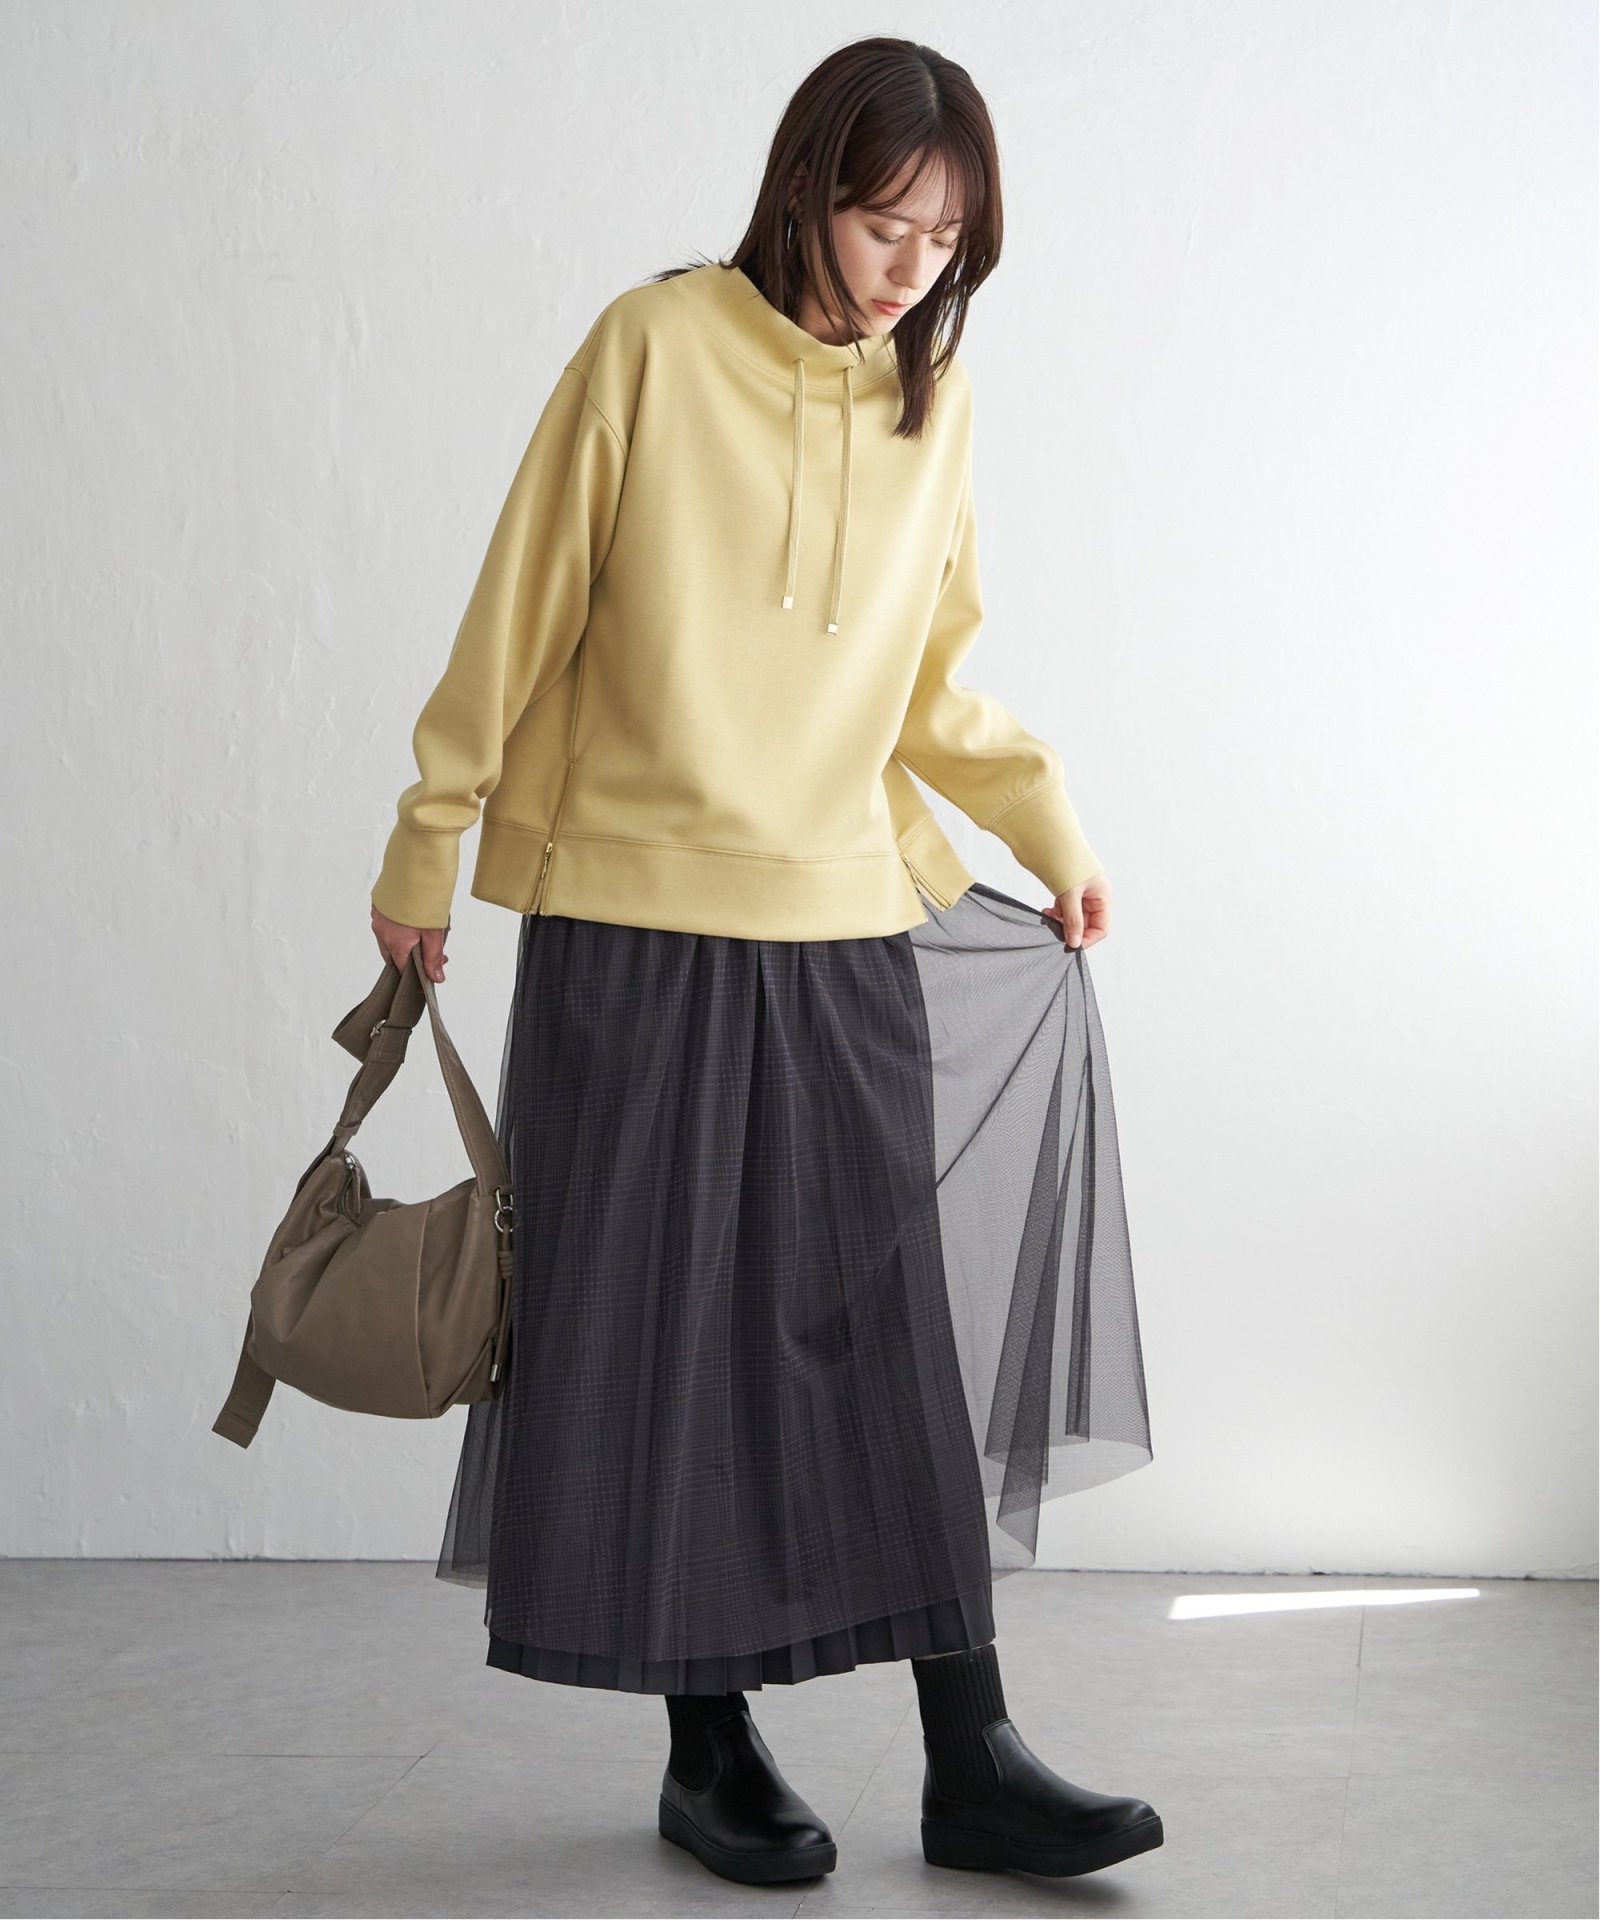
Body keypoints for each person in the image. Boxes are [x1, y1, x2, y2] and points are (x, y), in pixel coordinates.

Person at [369, 35, 1159, 1889]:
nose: (908, 268)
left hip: (841, 922)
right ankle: (708, 1749)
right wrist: (429, 830)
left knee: (886, 1340)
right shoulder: (649, 347)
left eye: (944, 243)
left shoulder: (930, 407)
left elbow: (931, 680)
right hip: (635, 925)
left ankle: (971, 1756)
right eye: (888, 224)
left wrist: (1048, 828)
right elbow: (517, 608)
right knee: (667, 1342)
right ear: (808, 185)